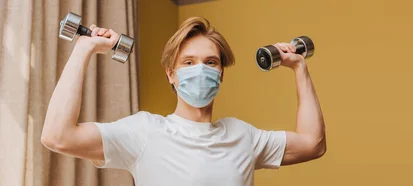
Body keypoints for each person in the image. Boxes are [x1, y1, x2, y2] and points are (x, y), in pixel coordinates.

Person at [41, 17, 326, 186]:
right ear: (171, 74)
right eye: (188, 62)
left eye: (210, 62)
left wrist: (299, 67)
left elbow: (313, 144)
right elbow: (58, 136)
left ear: (221, 73)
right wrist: (84, 48)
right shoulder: (144, 132)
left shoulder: (242, 136)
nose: (200, 69)